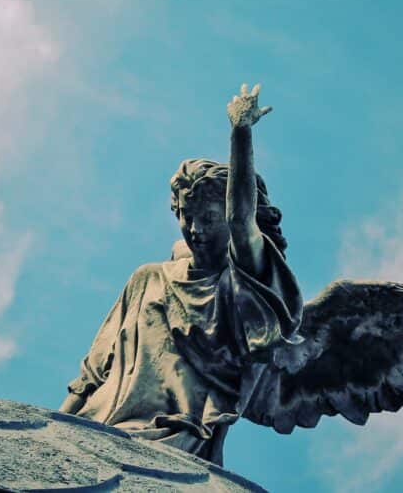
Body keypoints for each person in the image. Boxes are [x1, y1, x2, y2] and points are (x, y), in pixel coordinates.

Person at [60, 84, 304, 465]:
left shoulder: (241, 285)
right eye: (185, 217)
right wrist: (53, 425)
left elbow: (241, 219)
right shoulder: (148, 279)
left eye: (208, 218)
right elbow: (95, 370)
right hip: (101, 424)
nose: (195, 229)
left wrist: (241, 131)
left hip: (177, 440)